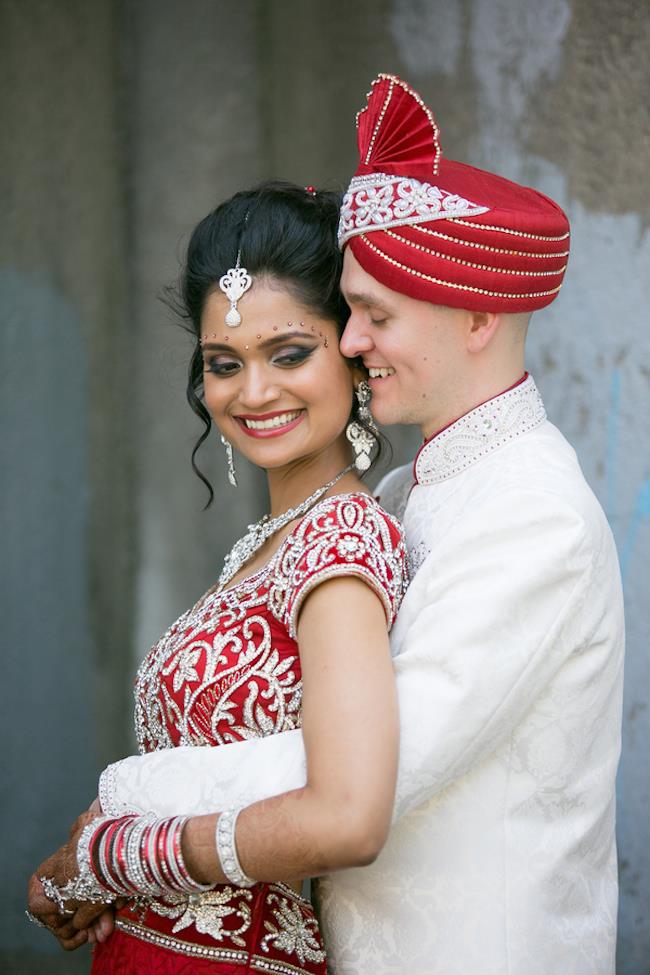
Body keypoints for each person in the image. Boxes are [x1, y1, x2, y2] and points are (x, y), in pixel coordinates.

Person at [82, 75, 626, 975]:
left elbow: (362, 776)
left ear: (480, 313)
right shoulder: (415, 491)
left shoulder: (533, 517)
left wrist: (123, 809)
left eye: (373, 314)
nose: (354, 341)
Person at [26, 181, 408, 974]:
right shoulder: (272, 545)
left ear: (352, 348)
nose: (253, 391)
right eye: (224, 364)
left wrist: (113, 858)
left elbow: (347, 819)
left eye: (290, 353)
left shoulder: (339, 543)